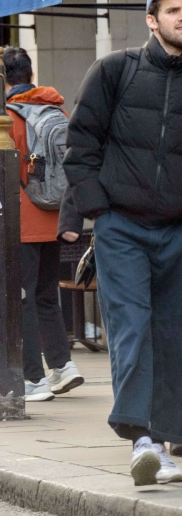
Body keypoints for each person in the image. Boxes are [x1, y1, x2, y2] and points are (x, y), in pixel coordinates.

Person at [59, 0, 182, 486]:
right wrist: (100, 210)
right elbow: (81, 145)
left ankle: (161, 442)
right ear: (151, 19)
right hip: (121, 227)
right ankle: (142, 438)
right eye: (173, 10)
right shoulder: (114, 71)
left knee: (170, 335)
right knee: (131, 327)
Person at [5, 46, 84, 402]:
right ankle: (63, 367)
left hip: (23, 219)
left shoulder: (9, 118)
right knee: (46, 295)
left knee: (22, 299)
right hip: (55, 216)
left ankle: (34, 379)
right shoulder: (54, 110)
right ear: (31, 75)